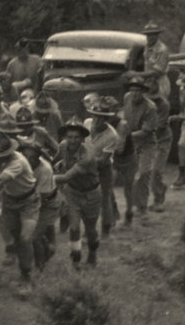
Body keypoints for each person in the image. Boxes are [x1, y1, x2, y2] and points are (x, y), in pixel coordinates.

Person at [0, 134, 38, 300]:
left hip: (28, 201)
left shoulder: (17, 162)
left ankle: (26, 277)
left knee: (25, 238)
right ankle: (18, 259)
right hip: (9, 200)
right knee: (15, 238)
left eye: (3, 155)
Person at [53, 118, 100, 269]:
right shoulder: (62, 146)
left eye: (76, 137)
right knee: (74, 227)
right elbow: (54, 161)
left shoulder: (87, 155)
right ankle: (76, 260)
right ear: (65, 137)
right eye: (70, 137)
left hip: (91, 194)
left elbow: (66, 177)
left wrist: (43, 179)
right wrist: (57, 164)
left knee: (90, 229)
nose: (72, 141)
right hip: (72, 192)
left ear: (82, 138)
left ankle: (92, 254)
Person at [118, 77, 158, 222]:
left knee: (144, 173)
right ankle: (135, 205)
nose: (134, 94)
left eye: (138, 91)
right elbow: (123, 117)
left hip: (147, 144)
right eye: (132, 90)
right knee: (131, 176)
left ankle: (143, 208)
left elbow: (146, 132)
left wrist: (125, 135)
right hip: (131, 144)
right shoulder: (126, 98)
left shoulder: (150, 107)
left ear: (143, 92)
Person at [17, 136, 59, 272]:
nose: (28, 160)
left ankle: (40, 265)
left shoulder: (45, 169)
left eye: (32, 157)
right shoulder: (19, 166)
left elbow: (41, 196)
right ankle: (46, 246)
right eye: (25, 156)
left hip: (47, 203)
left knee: (33, 236)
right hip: (31, 201)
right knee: (28, 234)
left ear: (38, 157)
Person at [84, 98, 120, 235]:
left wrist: (85, 161)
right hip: (86, 166)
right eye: (95, 116)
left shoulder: (112, 135)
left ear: (106, 119)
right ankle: (89, 228)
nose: (97, 120)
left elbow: (103, 160)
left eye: (101, 118)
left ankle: (106, 227)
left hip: (103, 168)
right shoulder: (86, 123)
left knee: (104, 197)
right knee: (87, 198)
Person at [147, 77, 172, 212]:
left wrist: (142, 130)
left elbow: (159, 126)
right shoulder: (143, 104)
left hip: (162, 140)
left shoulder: (164, 105)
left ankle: (159, 198)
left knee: (156, 171)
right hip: (148, 141)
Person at [141, 22, 171, 104]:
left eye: (152, 35)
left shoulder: (162, 49)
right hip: (148, 81)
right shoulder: (147, 46)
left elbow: (156, 72)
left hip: (160, 82)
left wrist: (136, 74)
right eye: (148, 35)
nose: (149, 37)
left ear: (157, 35)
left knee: (160, 104)